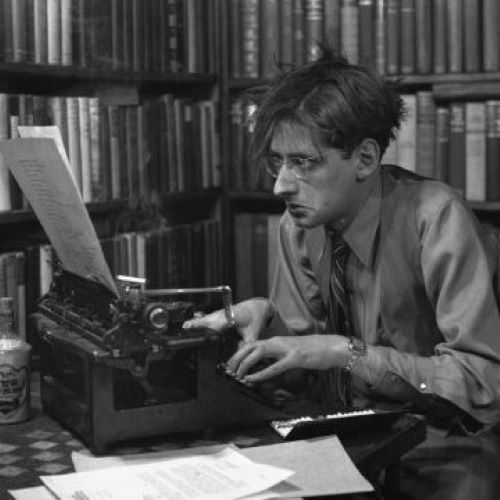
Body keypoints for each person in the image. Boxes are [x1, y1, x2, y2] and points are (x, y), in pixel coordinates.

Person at [184, 49, 500, 499]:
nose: (281, 184)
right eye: (278, 162)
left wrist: (346, 352)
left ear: (365, 159)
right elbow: (303, 371)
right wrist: (266, 325)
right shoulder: (297, 224)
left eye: (303, 163)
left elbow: (481, 382)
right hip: (342, 443)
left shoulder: (436, 218)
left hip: (442, 449)